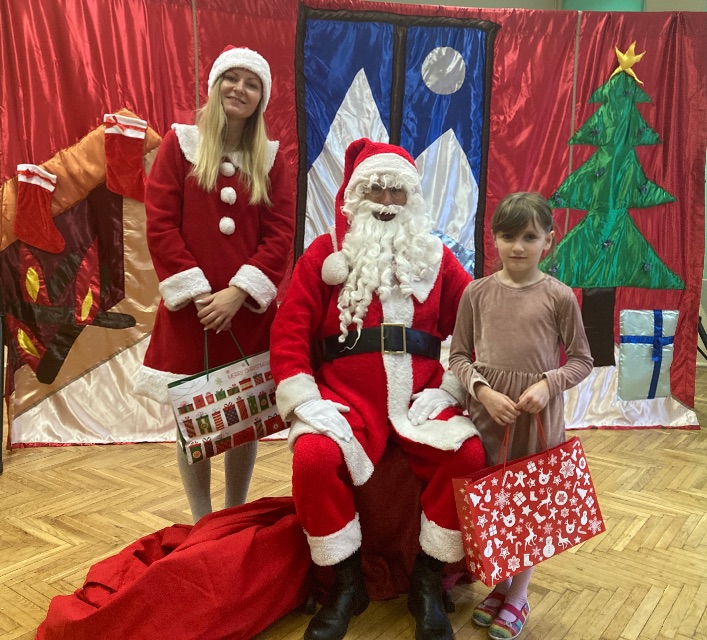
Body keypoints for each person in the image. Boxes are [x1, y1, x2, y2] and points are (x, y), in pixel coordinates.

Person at [270, 138, 486, 640]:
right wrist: (305, 401)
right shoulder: (324, 254)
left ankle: (427, 581)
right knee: (313, 459)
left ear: (412, 199)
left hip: (421, 399)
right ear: (356, 195)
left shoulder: (436, 258)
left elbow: (477, 323)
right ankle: (346, 584)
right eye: (376, 189)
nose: (387, 201)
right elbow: (290, 330)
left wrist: (452, 388)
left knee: (468, 456)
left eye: (397, 191)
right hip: (345, 402)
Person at [133, 46, 295, 522]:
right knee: (193, 417)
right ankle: (203, 520)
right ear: (214, 85)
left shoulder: (270, 159)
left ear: (262, 97)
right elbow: (161, 224)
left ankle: (234, 514)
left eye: (251, 83)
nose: (239, 89)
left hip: (245, 315)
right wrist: (200, 295)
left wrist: (238, 293)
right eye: (232, 78)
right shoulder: (180, 144)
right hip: (193, 314)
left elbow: (280, 234)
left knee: (242, 416)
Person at [448, 192, 593, 640]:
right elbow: (458, 356)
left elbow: (582, 361)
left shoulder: (559, 297)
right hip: (489, 415)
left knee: (528, 503)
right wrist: (483, 392)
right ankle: (502, 582)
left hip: (536, 419)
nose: (517, 246)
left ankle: (519, 593)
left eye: (529, 237)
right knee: (496, 501)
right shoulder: (476, 293)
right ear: (493, 238)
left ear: (548, 240)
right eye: (508, 236)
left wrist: (547, 384)